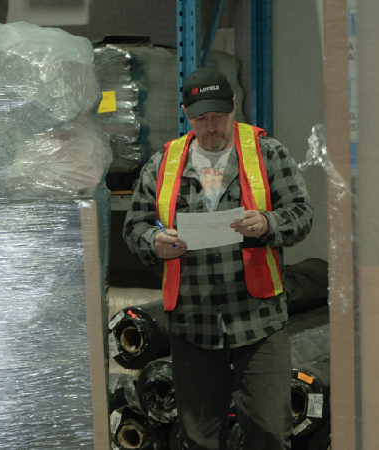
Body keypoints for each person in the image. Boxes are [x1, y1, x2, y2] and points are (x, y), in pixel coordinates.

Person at [123, 67, 313, 450]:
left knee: (269, 432)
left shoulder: (266, 153)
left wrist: (266, 223)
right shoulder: (163, 164)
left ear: (233, 106)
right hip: (192, 322)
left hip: (258, 319)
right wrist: (154, 242)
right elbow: (134, 227)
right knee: (199, 437)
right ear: (186, 114)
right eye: (200, 119)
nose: (211, 127)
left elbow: (302, 213)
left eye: (218, 117)